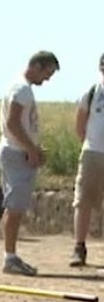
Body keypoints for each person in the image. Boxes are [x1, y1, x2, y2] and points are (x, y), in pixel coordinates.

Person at [0, 51, 59, 276]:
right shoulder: (22, 89)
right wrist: (31, 149)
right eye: (47, 72)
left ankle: (10, 256)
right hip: (17, 154)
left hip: (15, 150)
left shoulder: (20, 87)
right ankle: (10, 258)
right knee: (15, 207)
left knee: (13, 206)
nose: (48, 79)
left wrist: (33, 148)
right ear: (36, 66)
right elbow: (13, 123)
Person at [69, 53, 104, 266]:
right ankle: (79, 247)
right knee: (83, 202)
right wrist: (89, 143)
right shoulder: (91, 92)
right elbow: (80, 125)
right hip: (92, 153)